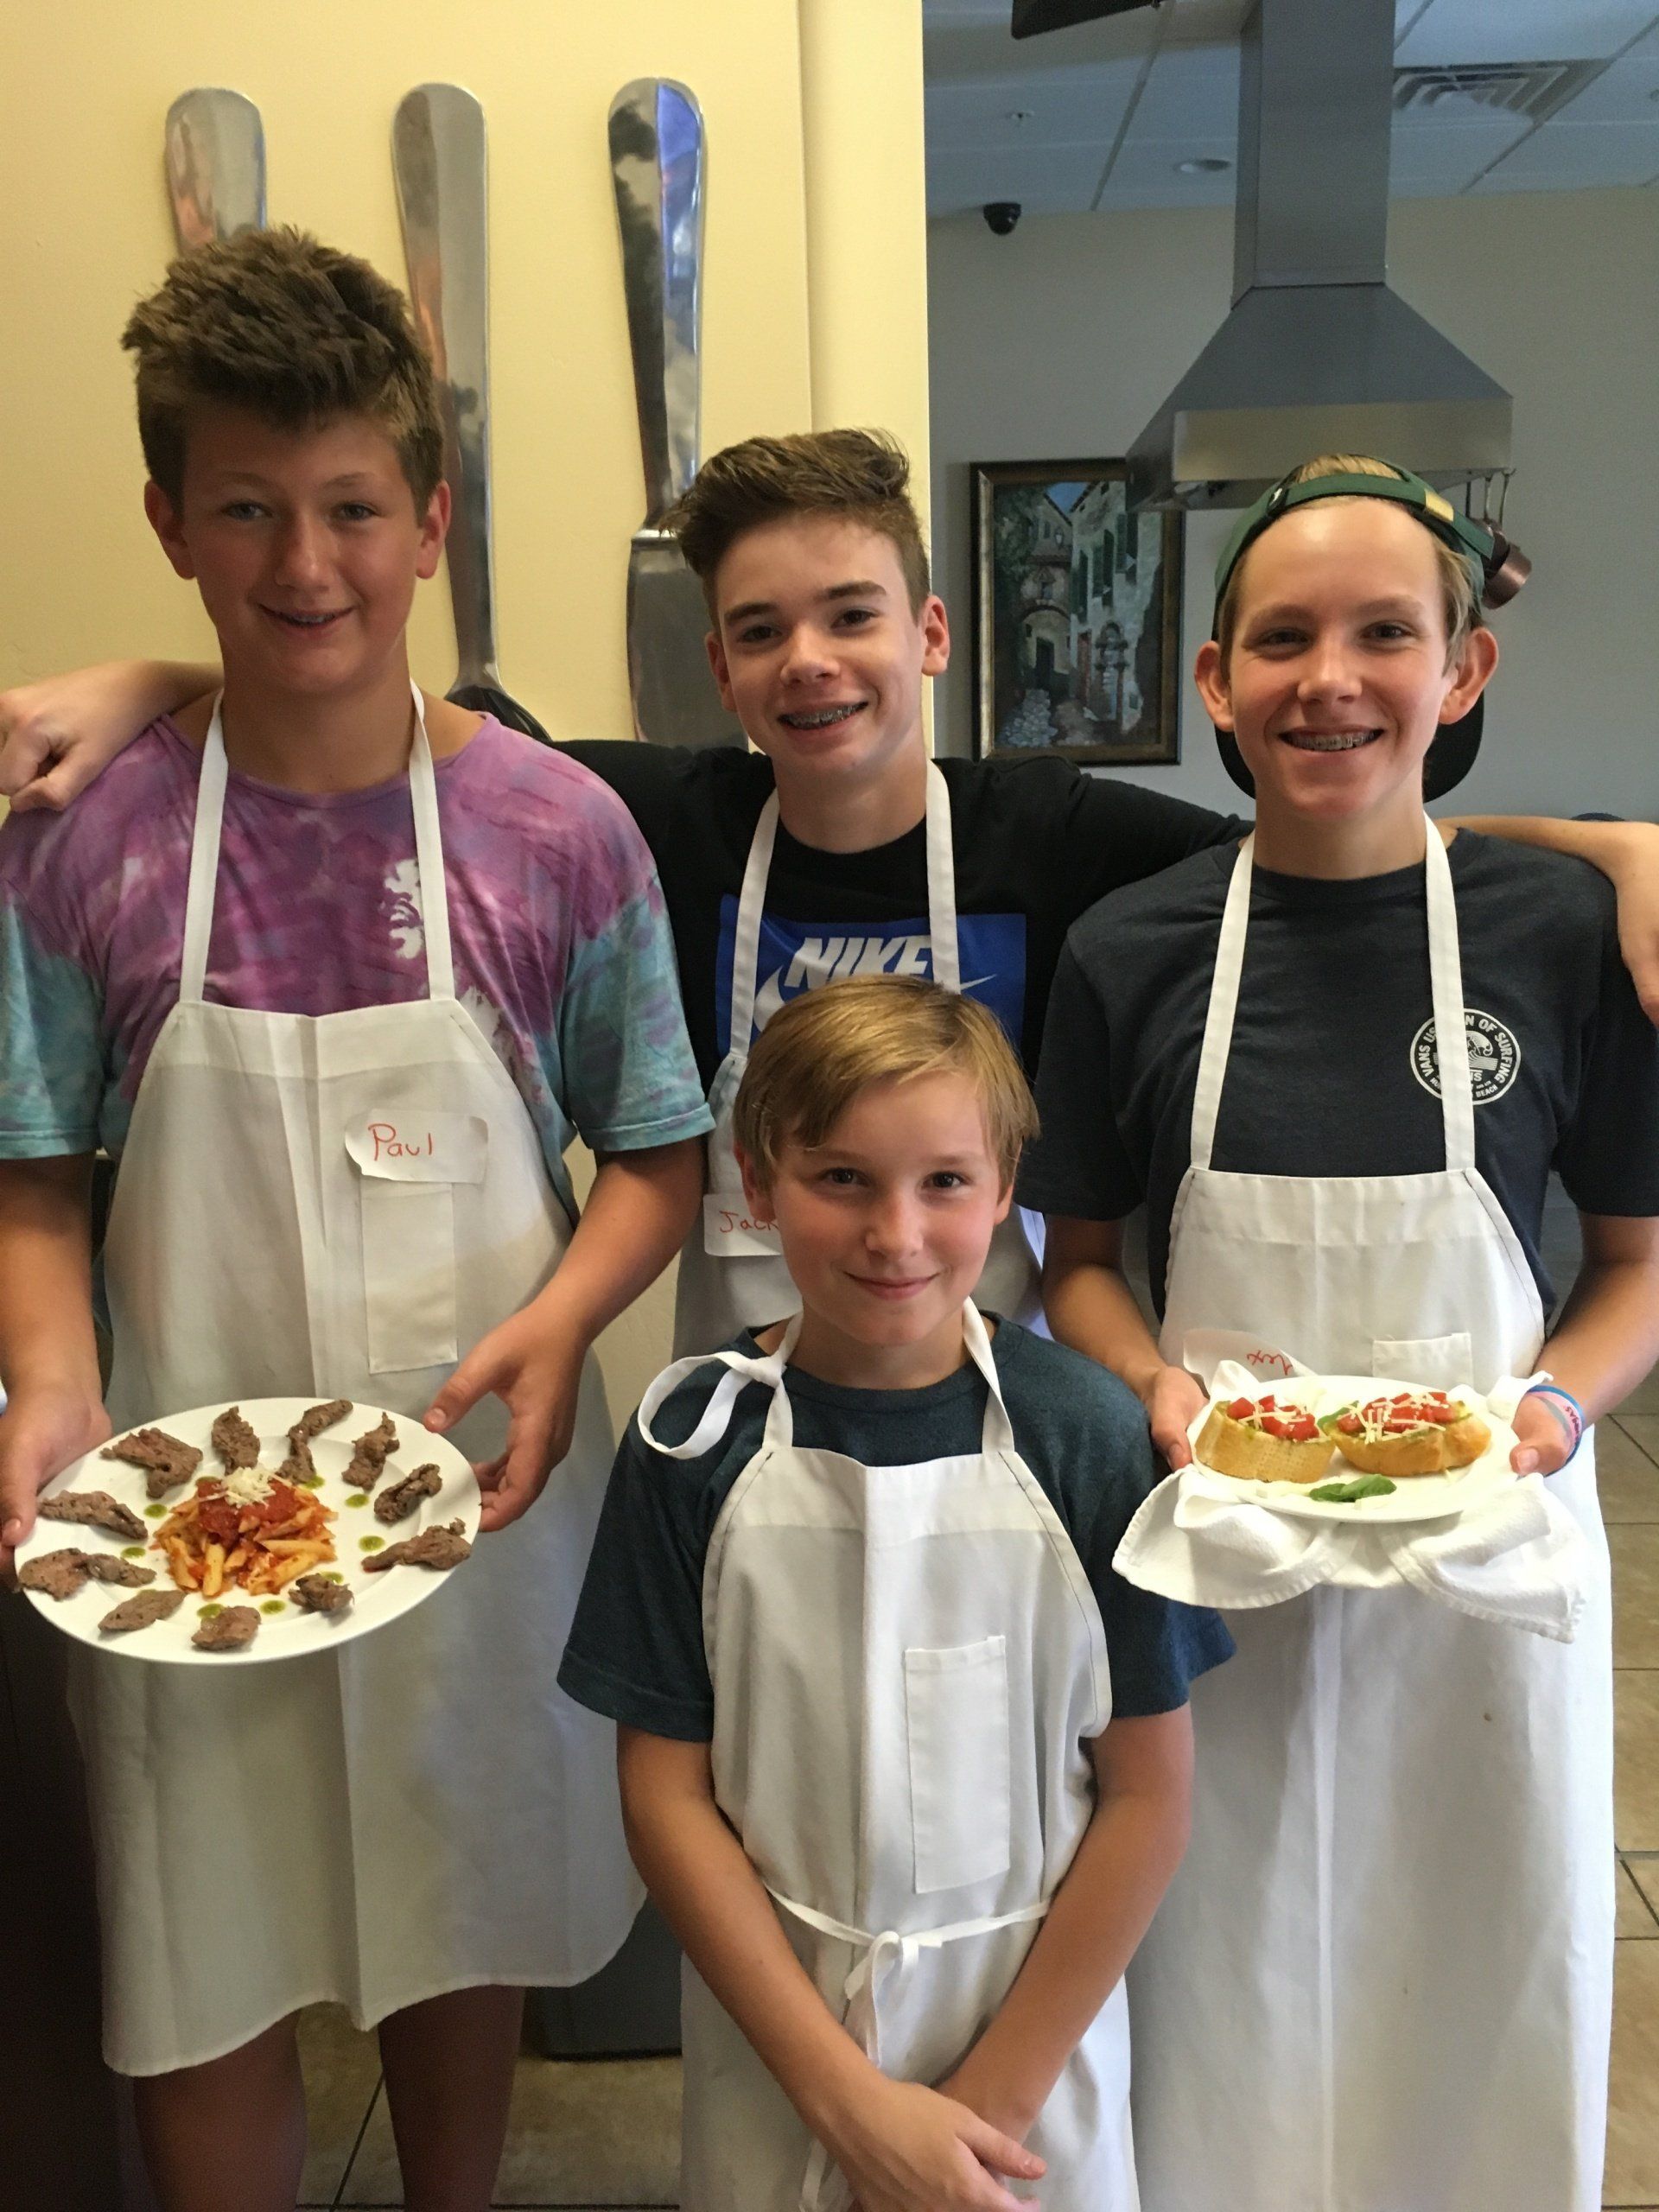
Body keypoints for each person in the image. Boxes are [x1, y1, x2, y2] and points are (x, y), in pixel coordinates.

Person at [5, 435, 1658, 1370]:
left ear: (929, 638)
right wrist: (154, 680)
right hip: (744, 1386)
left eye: (853, 615)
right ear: (719, 668)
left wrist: (1609, 851)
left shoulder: (1057, 835)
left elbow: (1326, 824)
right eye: (760, 630)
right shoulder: (653, 818)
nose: (811, 663)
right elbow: (373, 710)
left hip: (999, 1384)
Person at [0, 229, 711, 2212]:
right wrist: (50, 1379)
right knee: (195, 1929)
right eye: (247, 509)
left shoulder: (556, 830)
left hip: (465, 1481)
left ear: (430, 520)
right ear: (169, 521)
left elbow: (657, 1147)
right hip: (171, 1506)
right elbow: (33, 1162)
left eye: (350, 509)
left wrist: (562, 1320)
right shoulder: (87, 835)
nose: (304, 563)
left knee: (452, 1883)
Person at [1019, 454, 1659, 2212]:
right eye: (1284, 637)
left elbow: (1636, 1261)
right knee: (1224, 1990)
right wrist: (1152, 1384)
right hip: (1216, 1561)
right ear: (1215, 680)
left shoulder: (1566, 933)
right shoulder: (1130, 946)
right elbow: (1079, 1260)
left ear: (1464, 669)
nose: (1333, 679)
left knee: (1480, 1977)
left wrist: (1549, 1409)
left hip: (1487, 1566)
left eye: (1387, 633)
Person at [557, 975, 1233, 2210]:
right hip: (785, 2042)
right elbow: (664, 1795)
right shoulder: (688, 1446)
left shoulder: (1091, 1439)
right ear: (757, 1183)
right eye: (842, 1178)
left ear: (1007, 1188)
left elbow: (1151, 1796)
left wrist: (990, 2108)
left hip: (1031, 2043)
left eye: (945, 1182)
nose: (896, 1235)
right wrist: (847, 2107)